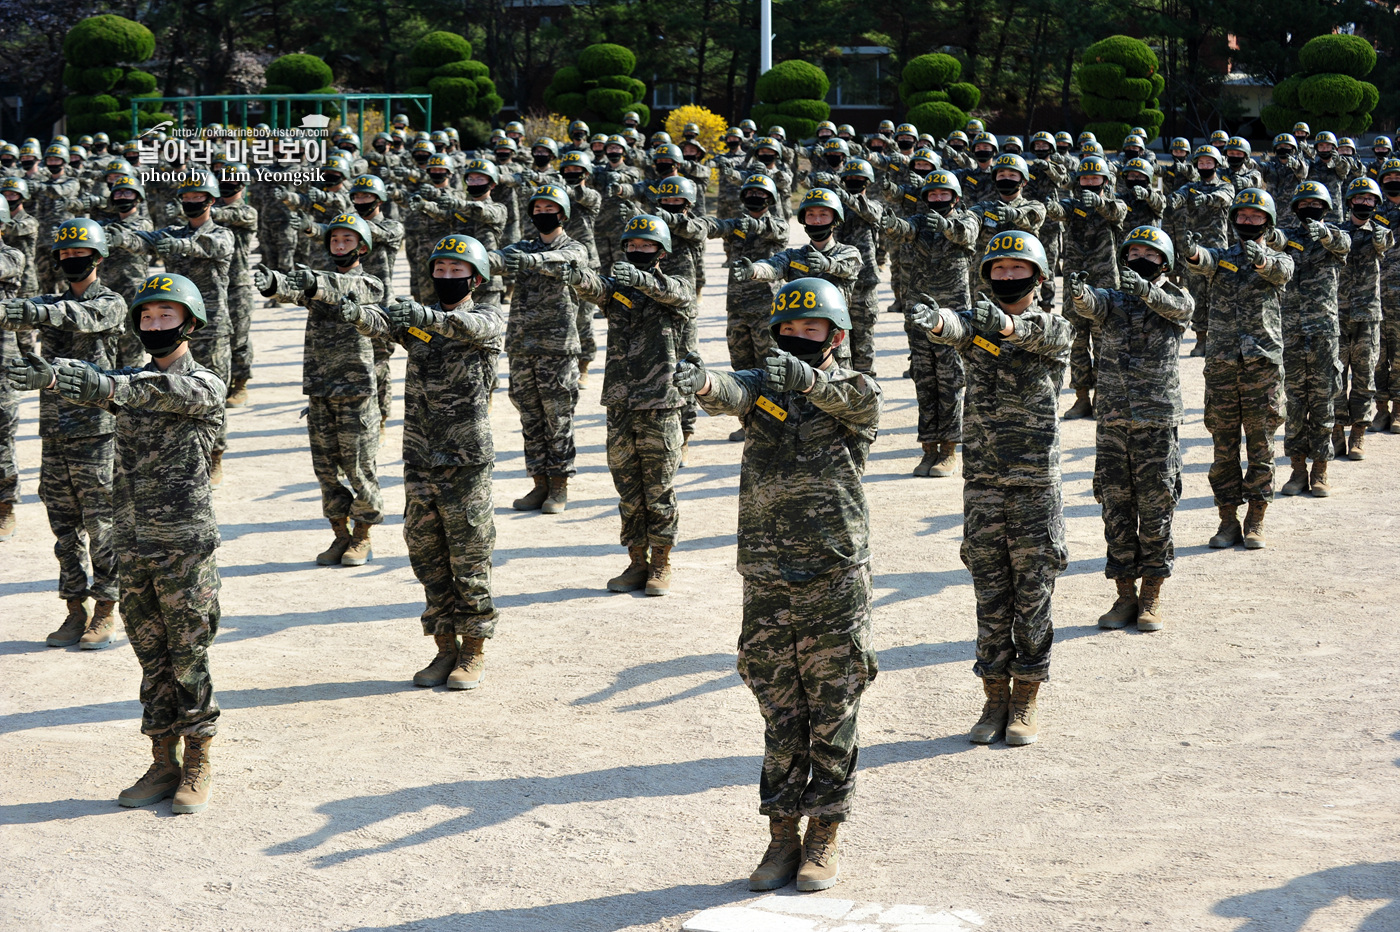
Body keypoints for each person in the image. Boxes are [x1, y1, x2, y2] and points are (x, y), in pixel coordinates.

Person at [677, 276, 881, 894]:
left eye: (810, 329)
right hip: (766, 567)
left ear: (836, 336)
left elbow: (849, 401)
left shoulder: (858, 388)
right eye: (787, 330)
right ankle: (781, 832)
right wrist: (703, 382)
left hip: (831, 567)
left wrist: (809, 382)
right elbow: (732, 392)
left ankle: (825, 832)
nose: (796, 339)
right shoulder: (765, 381)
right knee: (777, 702)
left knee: (833, 702)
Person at [9, 273, 225, 812]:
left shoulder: (203, 384)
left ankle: (198, 761)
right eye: (147, 318)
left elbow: (131, 389)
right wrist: (52, 376)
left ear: (189, 322)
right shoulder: (131, 379)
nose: (155, 325)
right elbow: (103, 379)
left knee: (188, 657)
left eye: (166, 316)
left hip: (183, 548)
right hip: (132, 543)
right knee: (150, 657)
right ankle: (161, 761)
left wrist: (92, 383)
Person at [909, 231, 1073, 746]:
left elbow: (1024, 331)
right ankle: (993, 695)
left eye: (1016, 269)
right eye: (997, 270)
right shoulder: (976, 323)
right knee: (990, 590)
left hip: (1033, 481)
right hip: (982, 479)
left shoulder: (1053, 326)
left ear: (1039, 276)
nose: (1007, 277)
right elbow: (958, 327)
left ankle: (1026, 696)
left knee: (1033, 590)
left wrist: (1000, 324)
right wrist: (938, 322)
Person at [341, 235, 505, 690]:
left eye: (457, 271)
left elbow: (462, 328)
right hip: (420, 459)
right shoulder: (418, 323)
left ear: (476, 278)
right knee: (427, 555)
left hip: (465, 461)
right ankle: (444, 648)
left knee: (468, 557)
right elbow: (378, 322)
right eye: (440, 270)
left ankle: (473, 650)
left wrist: (422, 316)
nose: (447, 278)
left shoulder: (487, 318)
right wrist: (344, 306)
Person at [2, 218, 123, 646]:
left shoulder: (110, 303)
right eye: (66, 255)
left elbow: (81, 318)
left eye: (81, 254)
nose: (73, 260)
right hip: (54, 431)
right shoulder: (47, 302)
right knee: (64, 530)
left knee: (102, 526)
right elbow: (21, 316)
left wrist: (34, 311)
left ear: (99, 257)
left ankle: (106, 609)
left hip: (97, 431)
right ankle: (75, 609)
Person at [1066, 226, 1193, 630]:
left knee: (1156, 510)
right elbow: (1090, 306)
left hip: (1156, 422)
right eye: (1133, 251)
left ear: (1165, 262)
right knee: (1116, 509)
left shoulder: (1175, 297)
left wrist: (1146, 290)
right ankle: (1124, 596)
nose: (1140, 257)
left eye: (1149, 253)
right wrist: (1079, 293)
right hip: (1113, 422)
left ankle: (1152, 595)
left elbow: (1177, 310)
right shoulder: (1113, 299)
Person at [560, 215, 694, 596]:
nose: (637, 251)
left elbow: (676, 295)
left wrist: (642, 280)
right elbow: (595, 287)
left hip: (661, 402)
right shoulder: (618, 288)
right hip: (619, 401)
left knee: (659, 489)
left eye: (645, 246)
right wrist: (575, 274)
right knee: (628, 489)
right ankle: (637, 562)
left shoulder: (676, 285)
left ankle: (662, 563)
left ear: (662, 252)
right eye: (631, 246)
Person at [253, 213, 386, 566]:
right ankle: (339, 536)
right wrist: (272, 282)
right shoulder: (316, 283)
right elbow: (294, 288)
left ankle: (362, 537)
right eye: (334, 241)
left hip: (355, 388)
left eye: (347, 240)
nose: (339, 246)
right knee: (325, 469)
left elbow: (337, 289)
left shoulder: (371, 283)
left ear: (362, 246)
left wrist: (312, 282)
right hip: (320, 387)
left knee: (359, 467)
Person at [1182, 188, 1295, 549]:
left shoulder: (1280, 257)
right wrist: (1190, 251)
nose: (1247, 222)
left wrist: (1260, 258)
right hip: (1222, 365)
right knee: (1223, 448)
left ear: (1268, 222)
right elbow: (1203, 261)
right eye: (1242, 217)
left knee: (1261, 446)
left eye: (1255, 217)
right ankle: (1227, 520)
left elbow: (1280, 273)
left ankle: (1256, 520)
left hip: (1262, 367)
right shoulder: (1224, 257)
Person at [494, 184, 590, 514]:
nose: (543, 214)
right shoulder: (520, 246)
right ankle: (539, 483)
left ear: (563, 213)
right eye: (538, 209)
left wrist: (531, 260)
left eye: (550, 209)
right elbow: (499, 260)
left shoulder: (574, 247)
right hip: (522, 346)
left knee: (557, 417)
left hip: (558, 348)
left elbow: (567, 261)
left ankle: (559, 485)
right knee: (530, 418)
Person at [881, 170, 978, 477]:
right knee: (925, 382)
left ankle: (949, 450)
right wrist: (889, 222)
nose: (937, 200)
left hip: (953, 318)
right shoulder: (920, 222)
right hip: (919, 316)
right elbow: (903, 229)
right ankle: (928, 449)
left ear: (955, 197)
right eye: (932, 195)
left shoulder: (968, 218)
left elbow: (967, 235)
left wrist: (948, 226)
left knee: (950, 382)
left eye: (943, 195)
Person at [1274, 182, 1349, 498]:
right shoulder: (1288, 237)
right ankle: (1297, 471)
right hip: (1291, 333)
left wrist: (1325, 233)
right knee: (1294, 405)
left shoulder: (1334, 236)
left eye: (1315, 205)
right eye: (1304, 206)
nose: (1309, 210)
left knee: (1322, 404)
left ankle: (1320, 471)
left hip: (1323, 335)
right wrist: (1275, 239)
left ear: (1325, 208)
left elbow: (1343, 245)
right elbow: (1272, 246)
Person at [705, 173, 789, 442]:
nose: (755, 198)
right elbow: (716, 227)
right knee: (741, 366)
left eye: (761, 194)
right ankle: (749, 422)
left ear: (770, 198)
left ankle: (777, 421)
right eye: (750, 193)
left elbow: (775, 231)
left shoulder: (777, 224)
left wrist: (751, 224)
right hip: (737, 307)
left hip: (767, 308)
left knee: (771, 367)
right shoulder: (737, 224)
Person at [1333, 177, 1393, 461]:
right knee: (1334, 377)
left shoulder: (1380, 232)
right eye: (1360, 198)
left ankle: (1358, 434)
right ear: (1350, 202)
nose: (1364, 203)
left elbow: (1383, 243)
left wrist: (1377, 234)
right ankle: (1336, 433)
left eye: (1370, 200)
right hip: (1339, 316)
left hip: (1368, 317)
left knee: (1364, 378)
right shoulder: (1336, 233)